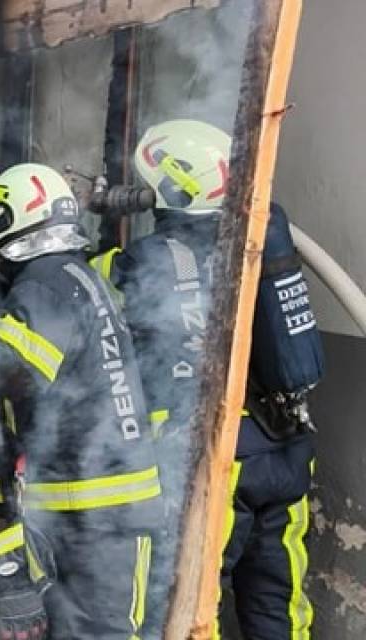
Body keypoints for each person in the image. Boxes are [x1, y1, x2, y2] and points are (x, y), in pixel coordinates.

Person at [91, 119, 321, 639]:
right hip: (287, 446)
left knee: (194, 596)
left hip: (219, 454)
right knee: (278, 601)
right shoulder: (263, 233)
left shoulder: (148, 259)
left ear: (170, 188)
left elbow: (88, 290)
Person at [0, 163, 163, 639]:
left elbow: (9, 370)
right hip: (98, 506)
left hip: (97, 513)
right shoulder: (72, 277)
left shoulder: (44, 285)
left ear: (10, 219)